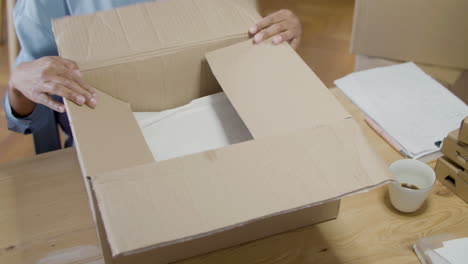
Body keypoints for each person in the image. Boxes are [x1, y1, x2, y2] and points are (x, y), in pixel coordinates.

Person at [3, 0, 302, 153]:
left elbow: (245, 55)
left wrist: (279, 36)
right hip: (106, 148)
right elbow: (27, 109)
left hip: (218, 136)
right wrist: (18, 86)